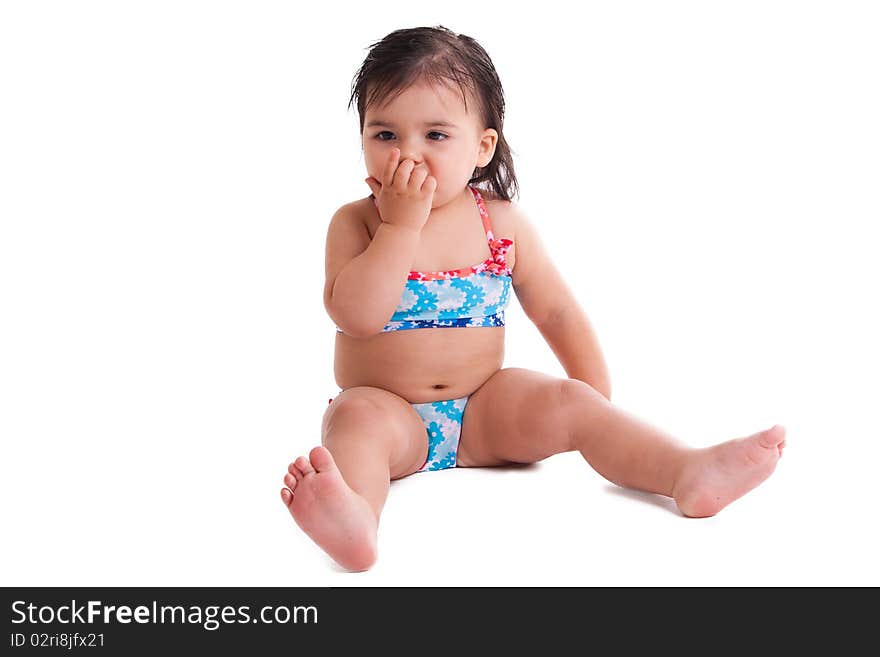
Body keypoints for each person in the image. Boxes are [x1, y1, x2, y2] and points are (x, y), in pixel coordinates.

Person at [280, 25, 786, 572]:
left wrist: (591, 401)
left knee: (570, 402)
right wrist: (399, 229)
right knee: (354, 421)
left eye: (436, 136)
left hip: (484, 409)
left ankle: (685, 471)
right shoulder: (356, 222)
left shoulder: (499, 223)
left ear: (482, 147)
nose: (409, 155)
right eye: (385, 136)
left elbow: (556, 309)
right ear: (361, 140)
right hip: (389, 413)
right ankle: (354, 519)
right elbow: (357, 317)